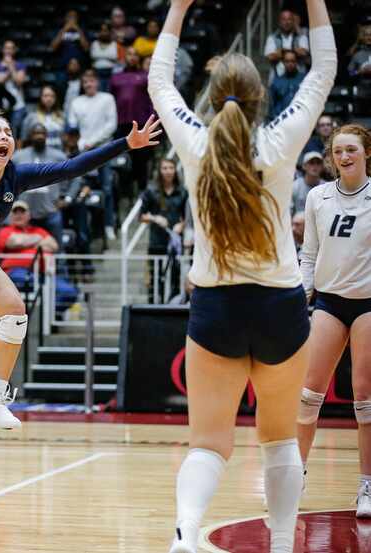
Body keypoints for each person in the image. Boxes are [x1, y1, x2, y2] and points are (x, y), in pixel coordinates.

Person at [148, 1, 335, 552]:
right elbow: (323, 71)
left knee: (207, 444)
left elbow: (161, 81)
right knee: (279, 443)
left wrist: (178, 8)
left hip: (217, 307)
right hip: (279, 306)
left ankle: (185, 535)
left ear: (214, 95)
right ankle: (280, 545)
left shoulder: (195, 143)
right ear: (259, 99)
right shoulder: (279, 143)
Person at [0, 64, 160, 429]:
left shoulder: (17, 177)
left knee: (15, 312)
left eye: (8, 130)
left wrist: (125, 144)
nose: (5, 134)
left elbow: (71, 167)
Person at [297, 123, 371, 517]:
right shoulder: (317, 197)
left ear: (366, 153)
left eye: (352, 150)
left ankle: (367, 486)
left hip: (368, 305)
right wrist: (300, 293)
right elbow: (309, 254)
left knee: (365, 400)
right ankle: (294, 475)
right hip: (327, 302)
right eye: (338, 151)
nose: (344, 157)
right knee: (308, 395)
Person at [67, 69, 118, 240]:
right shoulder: (76, 102)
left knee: (107, 189)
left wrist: (93, 142)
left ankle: (109, 225)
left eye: (91, 81)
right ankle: (85, 232)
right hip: (83, 150)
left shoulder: (107, 99)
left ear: (97, 82)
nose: (88, 84)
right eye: (85, 82)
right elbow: (73, 127)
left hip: (104, 150)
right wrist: (82, 143)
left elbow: (111, 125)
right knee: (80, 189)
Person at [139, 158, 188, 303]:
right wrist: (155, 218)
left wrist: (182, 226)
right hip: (156, 243)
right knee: (155, 281)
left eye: (171, 168)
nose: (168, 171)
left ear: (175, 170)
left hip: (175, 244)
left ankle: (172, 308)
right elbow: (141, 216)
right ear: (160, 171)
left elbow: (187, 217)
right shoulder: (151, 191)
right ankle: (152, 308)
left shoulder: (182, 192)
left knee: (175, 279)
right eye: (164, 168)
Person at [109, 47, 154, 194]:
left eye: (135, 54)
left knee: (141, 159)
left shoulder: (146, 76)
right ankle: (126, 193)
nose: (132, 57)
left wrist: (151, 119)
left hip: (141, 122)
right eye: (129, 54)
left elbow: (152, 99)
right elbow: (111, 100)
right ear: (124, 57)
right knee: (123, 161)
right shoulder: (116, 77)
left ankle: (142, 192)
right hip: (121, 123)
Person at [11, 125, 65, 245]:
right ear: (30, 136)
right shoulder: (18, 156)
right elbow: (9, 179)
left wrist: (67, 197)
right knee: (28, 250)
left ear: (47, 136)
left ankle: (61, 265)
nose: (39, 136)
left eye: (42, 133)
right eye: (36, 133)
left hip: (51, 211)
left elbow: (73, 178)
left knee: (58, 249)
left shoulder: (58, 156)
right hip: (24, 212)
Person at [0, 41, 28, 137]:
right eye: (6, 48)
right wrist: (10, 71)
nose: (8, 50)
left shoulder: (20, 65)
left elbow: (19, 81)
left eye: (11, 48)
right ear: (3, 50)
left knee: (14, 132)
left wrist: (10, 66)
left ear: (14, 50)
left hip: (18, 105)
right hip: (2, 105)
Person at [264, 9, 310, 79]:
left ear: (293, 22)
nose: (286, 22)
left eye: (289, 19)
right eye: (284, 19)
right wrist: (295, 51)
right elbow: (270, 56)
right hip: (277, 78)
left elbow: (304, 53)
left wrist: (281, 51)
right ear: (279, 22)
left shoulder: (302, 36)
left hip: (299, 79)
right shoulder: (272, 38)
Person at [21, 86, 65, 151]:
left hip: (58, 153)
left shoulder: (62, 115)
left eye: (52, 96)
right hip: (38, 154)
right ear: (40, 97)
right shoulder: (32, 117)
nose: (49, 99)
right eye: (46, 96)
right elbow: (24, 139)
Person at [269, 50, 305, 120]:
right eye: (287, 61)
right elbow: (272, 106)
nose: (290, 64)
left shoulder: (304, 80)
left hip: (300, 119)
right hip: (281, 120)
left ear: (296, 62)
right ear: (283, 62)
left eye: (292, 61)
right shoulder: (276, 82)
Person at [291, 150, 325, 215]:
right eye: (311, 163)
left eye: (318, 163)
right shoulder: (295, 186)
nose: (315, 166)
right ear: (304, 166)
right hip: (298, 223)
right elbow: (289, 212)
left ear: (322, 167)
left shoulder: (327, 188)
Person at [91, 24, 122, 91]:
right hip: (97, 73)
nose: (103, 33)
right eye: (101, 31)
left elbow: (121, 61)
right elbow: (91, 61)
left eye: (105, 31)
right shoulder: (94, 44)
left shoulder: (116, 45)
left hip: (112, 73)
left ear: (110, 32)